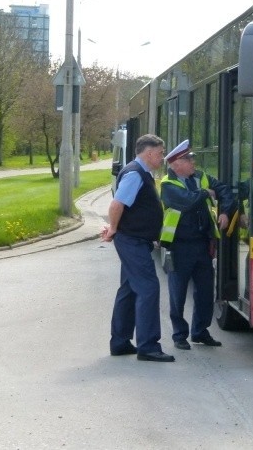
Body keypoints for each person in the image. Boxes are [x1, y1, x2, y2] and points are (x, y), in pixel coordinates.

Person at [101, 134, 175, 362]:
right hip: (131, 240)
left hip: (135, 239)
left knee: (130, 289)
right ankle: (148, 346)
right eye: (161, 153)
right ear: (150, 152)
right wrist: (113, 228)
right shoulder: (135, 173)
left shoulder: (141, 173)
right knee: (148, 288)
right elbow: (117, 204)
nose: (162, 158)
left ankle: (120, 342)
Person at [160, 139, 236, 350]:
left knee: (205, 292)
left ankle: (200, 331)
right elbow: (186, 201)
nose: (193, 162)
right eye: (188, 159)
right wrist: (205, 193)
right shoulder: (168, 184)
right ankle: (179, 335)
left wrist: (225, 211)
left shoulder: (201, 177)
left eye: (192, 158)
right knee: (178, 292)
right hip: (180, 246)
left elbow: (226, 191)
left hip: (203, 245)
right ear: (176, 164)